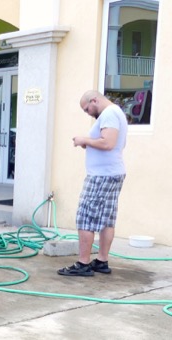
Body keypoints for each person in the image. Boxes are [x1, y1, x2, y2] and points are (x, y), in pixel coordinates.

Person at [57, 90, 127, 277]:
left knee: (85, 217)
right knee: (107, 219)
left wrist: (83, 140)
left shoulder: (109, 114)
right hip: (112, 172)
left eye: (87, 108)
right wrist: (88, 143)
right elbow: (107, 142)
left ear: (94, 100)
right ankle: (102, 261)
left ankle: (83, 264)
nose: (87, 113)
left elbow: (108, 143)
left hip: (101, 176)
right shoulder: (115, 112)